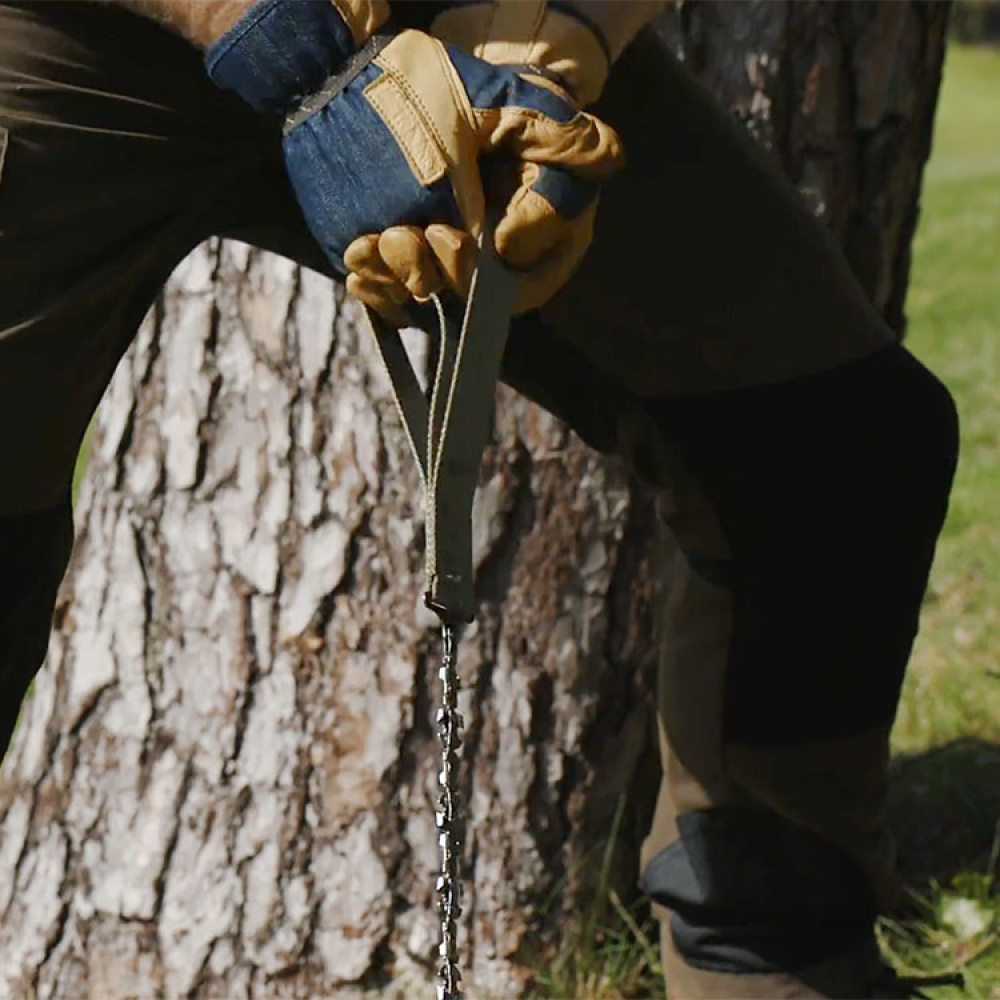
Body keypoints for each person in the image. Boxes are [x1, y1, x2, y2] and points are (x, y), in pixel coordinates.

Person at [0, 2, 959, 997]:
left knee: (826, 442)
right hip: (71, 44)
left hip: (430, 34)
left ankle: (775, 969)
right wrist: (295, 48)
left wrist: (548, 31)